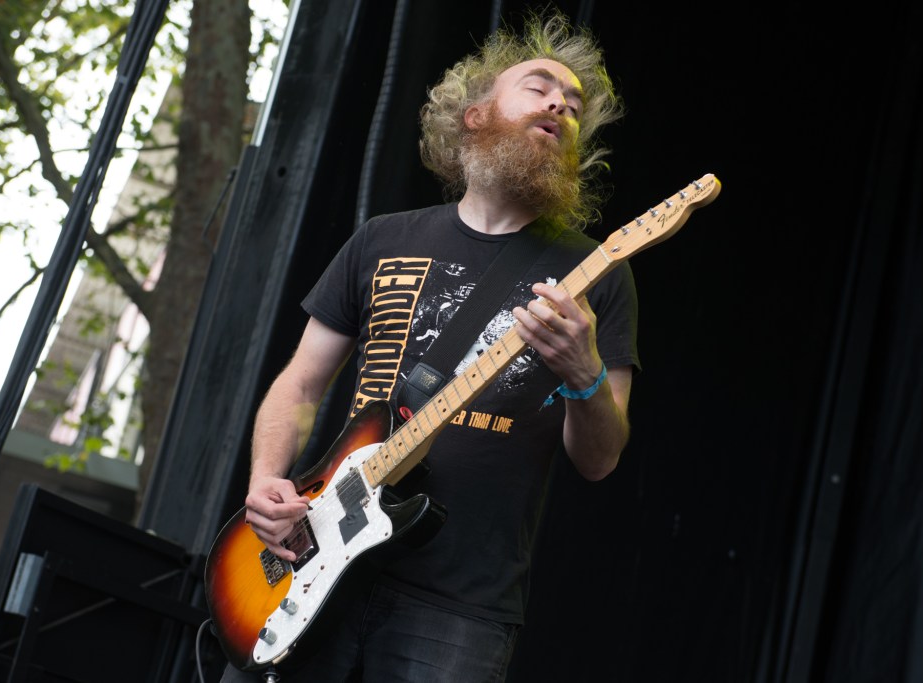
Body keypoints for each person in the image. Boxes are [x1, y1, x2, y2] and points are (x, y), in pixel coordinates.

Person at [219, 9, 638, 682]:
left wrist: (584, 373)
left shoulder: (597, 274)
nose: (561, 102)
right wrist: (265, 482)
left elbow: (599, 459)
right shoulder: (382, 240)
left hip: (461, 607)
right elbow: (299, 384)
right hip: (314, 563)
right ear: (475, 114)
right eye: (538, 86)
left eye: (573, 104)